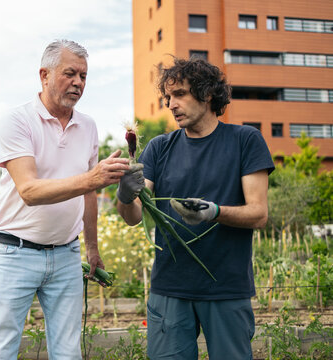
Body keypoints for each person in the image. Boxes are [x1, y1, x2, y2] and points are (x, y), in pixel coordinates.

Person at [116, 57, 275, 359]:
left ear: (207, 94)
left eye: (180, 95)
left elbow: (259, 213)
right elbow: (134, 216)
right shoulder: (160, 148)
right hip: (170, 288)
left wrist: (214, 212)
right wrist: (124, 195)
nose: (171, 104)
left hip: (226, 288)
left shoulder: (245, 141)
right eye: (168, 97)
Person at [0, 39, 130, 360]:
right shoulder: (18, 121)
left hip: (66, 255)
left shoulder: (87, 126)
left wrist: (91, 247)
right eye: (70, 74)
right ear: (44, 75)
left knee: (68, 353)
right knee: (1, 351)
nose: (78, 82)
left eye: (84, 76)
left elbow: (89, 192)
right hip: (15, 252)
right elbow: (30, 191)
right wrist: (91, 178)